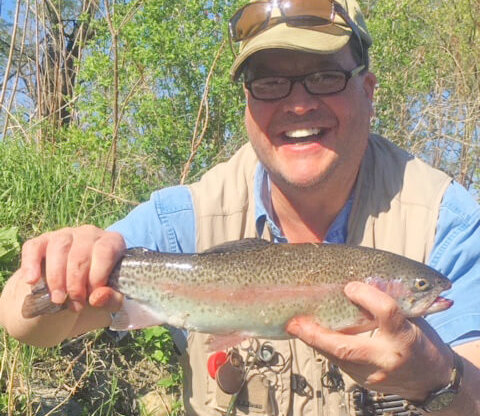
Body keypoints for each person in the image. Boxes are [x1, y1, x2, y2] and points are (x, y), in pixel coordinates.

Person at [1, 0, 479, 415]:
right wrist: (60, 267)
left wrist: (436, 378)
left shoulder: (446, 220)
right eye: (270, 83)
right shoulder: (183, 218)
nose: (298, 105)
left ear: (368, 90)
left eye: (326, 77)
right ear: (247, 103)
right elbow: (23, 321)